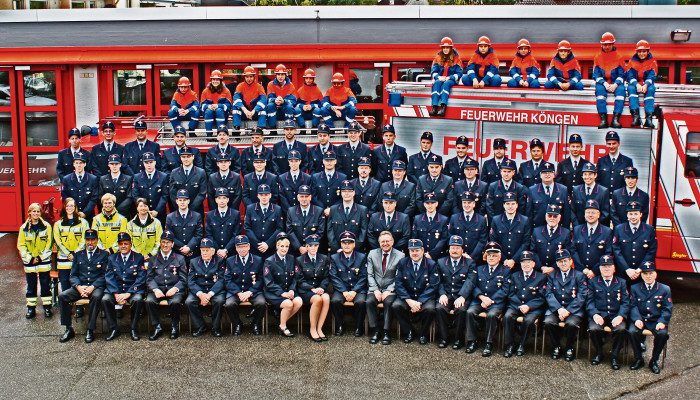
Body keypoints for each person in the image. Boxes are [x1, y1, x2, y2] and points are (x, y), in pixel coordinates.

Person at [58, 229, 107, 343]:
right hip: (80, 287)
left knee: (96, 297)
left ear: (97, 240)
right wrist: (78, 287)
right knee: (62, 296)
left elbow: (105, 275)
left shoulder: (104, 254)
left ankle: (90, 329)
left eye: (93, 240)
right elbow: (73, 275)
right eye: (88, 240)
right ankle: (68, 328)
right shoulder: (78, 255)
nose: (90, 242)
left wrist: (92, 287)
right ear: (85, 240)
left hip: (96, 287)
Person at [462, 241, 509, 357]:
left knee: (492, 315)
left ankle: (489, 343)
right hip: (479, 300)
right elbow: (473, 286)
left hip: (496, 303)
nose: (491, 258)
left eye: (494, 255)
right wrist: (482, 298)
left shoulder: (505, 270)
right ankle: (472, 341)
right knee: (469, 312)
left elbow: (505, 290)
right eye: (489, 255)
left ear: (499, 257)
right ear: (485, 256)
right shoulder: (479, 269)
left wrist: (490, 300)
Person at [628, 261, 672, 374]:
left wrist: (662, 321)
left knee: (662, 334)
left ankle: (654, 360)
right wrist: (637, 318)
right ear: (641, 275)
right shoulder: (635, 288)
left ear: (655, 274)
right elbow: (632, 306)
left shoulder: (665, 289)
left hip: (656, 321)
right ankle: (639, 358)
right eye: (645, 274)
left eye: (651, 273)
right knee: (632, 331)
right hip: (641, 319)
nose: (648, 276)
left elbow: (667, 308)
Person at [544, 249, 588, 361]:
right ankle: (556, 346)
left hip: (573, 309)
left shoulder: (579, 275)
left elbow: (582, 295)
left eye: (565, 261)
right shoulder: (552, 275)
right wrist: (559, 309)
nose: (563, 264)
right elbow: (548, 293)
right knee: (548, 322)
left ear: (570, 261)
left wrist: (568, 310)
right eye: (560, 262)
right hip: (556, 309)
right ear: (557, 264)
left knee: (572, 324)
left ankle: (569, 347)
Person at [587, 255, 630, 369]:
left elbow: (625, 302)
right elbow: (589, 301)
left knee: (621, 329)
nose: (606, 269)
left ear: (614, 268)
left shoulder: (621, 282)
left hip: (616, 314)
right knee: (593, 329)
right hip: (599, 314)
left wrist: (620, 316)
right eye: (604, 266)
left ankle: (615, 356)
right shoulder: (593, 282)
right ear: (600, 269)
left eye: (609, 266)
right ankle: (599, 352)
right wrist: (595, 314)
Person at [102, 232, 146, 341]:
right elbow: (109, 277)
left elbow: (141, 277)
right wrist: (116, 294)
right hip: (116, 291)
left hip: (131, 291)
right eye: (121, 244)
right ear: (118, 245)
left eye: (126, 243)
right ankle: (113, 329)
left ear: (131, 244)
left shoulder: (138, 257)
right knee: (105, 299)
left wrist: (128, 293)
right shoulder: (112, 258)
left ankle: (133, 329)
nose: (123, 246)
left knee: (137, 299)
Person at [392, 238, 438, 345]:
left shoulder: (431, 264)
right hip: (408, 296)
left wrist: (419, 302)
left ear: (422, 250)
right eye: (412, 250)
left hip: (425, 297)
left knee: (430, 309)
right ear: (409, 251)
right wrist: (409, 300)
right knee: (396, 306)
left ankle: (423, 334)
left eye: (417, 250)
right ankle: (409, 332)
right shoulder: (403, 263)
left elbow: (433, 285)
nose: (414, 253)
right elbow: (398, 284)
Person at [502, 251, 547, 357]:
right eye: (523, 262)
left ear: (533, 264)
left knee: (529, 320)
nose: (526, 264)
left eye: (529, 262)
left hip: (533, 308)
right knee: (507, 316)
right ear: (520, 264)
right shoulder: (514, 275)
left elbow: (541, 297)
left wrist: (528, 306)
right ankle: (510, 344)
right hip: (515, 305)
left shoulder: (541, 277)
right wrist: (520, 305)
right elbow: (510, 293)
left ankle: (522, 344)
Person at [144, 230, 187, 341]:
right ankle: (157, 327)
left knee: (175, 302)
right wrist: (155, 289)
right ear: (160, 243)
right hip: (158, 289)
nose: (165, 245)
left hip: (174, 290)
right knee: (149, 301)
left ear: (172, 244)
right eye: (163, 242)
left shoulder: (180, 258)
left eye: (168, 242)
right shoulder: (153, 259)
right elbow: (149, 278)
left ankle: (174, 327)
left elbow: (183, 279)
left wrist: (175, 288)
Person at [366, 231, 404, 345]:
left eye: (387, 241)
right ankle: (375, 331)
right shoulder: (372, 254)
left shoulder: (400, 255)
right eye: (383, 241)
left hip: (391, 289)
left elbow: (399, 276)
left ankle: (387, 332)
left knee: (388, 303)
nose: (385, 243)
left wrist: (389, 290)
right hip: (375, 288)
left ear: (392, 242)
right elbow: (370, 274)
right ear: (379, 243)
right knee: (369, 301)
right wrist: (376, 290)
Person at [435, 236, 473, 350]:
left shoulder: (469, 263)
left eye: (457, 247)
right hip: (446, 295)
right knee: (439, 308)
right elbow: (437, 280)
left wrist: (462, 296)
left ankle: (458, 339)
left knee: (461, 310)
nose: (455, 250)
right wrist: (442, 294)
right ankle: (444, 338)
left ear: (462, 250)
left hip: (461, 295)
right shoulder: (441, 262)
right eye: (452, 247)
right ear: (449, 249)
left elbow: (470, 281)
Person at [224, 235, 266, 336]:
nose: (242, 249)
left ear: (249, 246)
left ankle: (255, 324)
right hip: (236, 291)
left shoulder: (258, 260)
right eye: (239, 247)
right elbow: (227, 280)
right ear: (235, 248)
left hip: (252, 291)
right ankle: (237, 323)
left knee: (261, 303)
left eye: (244, 246)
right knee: (229, 304)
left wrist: (250, 292)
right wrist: (238, 292)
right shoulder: (230, 260)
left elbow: (261, 279)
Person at [17, 203, 54, 319]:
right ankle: (31, 308)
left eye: (38, 211)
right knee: (31, 285)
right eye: (34, 211)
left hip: (43, 261)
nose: (36, 214)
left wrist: (40, 257)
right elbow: (21, 245)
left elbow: (49, 243)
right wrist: (30, 258)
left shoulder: (46, 226)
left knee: (45, 284)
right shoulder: (23, 228)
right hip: (30, 262)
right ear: (29, 213)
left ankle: (47, 307)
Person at [263, 233, 303, 337]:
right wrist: (282, 293)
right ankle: (284, 326)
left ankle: (281, 324)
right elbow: (269, 283)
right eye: (281, 246)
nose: (284, 249)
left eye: (286, 246)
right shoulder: (269, 261)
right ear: (277, 246)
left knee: (298, 301)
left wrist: (292, 290)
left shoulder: (291, 258)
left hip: (288, 291)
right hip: (274, 292)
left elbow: (295, 277)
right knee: (288, 304)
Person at [329, 231, 368, 337]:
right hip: (342, 289)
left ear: (354, 244)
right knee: (335, 301)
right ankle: (340, 325)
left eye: (349, 243)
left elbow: (364, 277)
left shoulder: (362, 257)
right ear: (341, 244)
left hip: (358, 289)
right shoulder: (334, 257)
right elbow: (334, 277)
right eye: (344, 243)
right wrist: (344, 291)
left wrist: (354, 291)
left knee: (361, 302)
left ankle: (358, 326)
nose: (347, 245)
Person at [186, 238, 226, 337]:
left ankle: (215, 328)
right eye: (202, 250)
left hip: (214, 290)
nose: (204, 253)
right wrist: (200, 294)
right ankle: (200, 326)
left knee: (219, 301)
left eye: (207, 250)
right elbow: (190, 281)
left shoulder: (220, 261)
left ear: (213, 251)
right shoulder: (194, 261)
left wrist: (209, 294)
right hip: (199, 290)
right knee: (189, 302)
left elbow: (221, 280)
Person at [295, 234, 330, 342]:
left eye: (315, 245)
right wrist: (312, 289)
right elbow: (299, 280)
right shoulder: (300, 260)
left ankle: (319, 328)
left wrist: (322, 288)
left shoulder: (324, 258)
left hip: (319, 288)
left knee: (326, 298)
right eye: (310, 245)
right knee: (318, 299)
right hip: (306, 290)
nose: (313, 248)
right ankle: (312, 329)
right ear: (306, 247)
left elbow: (326, 276)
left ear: (318, 246)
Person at [613, 201, 657, 282]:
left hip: (642, 272)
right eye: (630, 214)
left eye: (636, 214)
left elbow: (651, 251)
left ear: (641, 214)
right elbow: (616, 250)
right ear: (627, 215)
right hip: (623, 273)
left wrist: (639, 269)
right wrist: (626, 269)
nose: (633, 217)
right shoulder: (619, 229)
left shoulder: (649, 229)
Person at [53, 198, 90, 292]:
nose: (70, 208)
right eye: (68, 205)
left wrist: (75, 253)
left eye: (72, 205)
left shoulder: (83, 222)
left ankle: (79, 306)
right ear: (64, 207)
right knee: (65, 281)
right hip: (63, 258)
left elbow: (84, 239)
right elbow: (58, 241)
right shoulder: (58, 224)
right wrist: (67, 253)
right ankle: (67, 305)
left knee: (79, 281)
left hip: (79, 257)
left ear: (75, 207)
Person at [489, 192, 532, 270]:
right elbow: (494, 242)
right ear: (503, 205)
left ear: (517, 205)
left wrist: (513, 260)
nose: (510, 206)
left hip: (518, 263)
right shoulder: (496, 220)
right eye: (508, 204)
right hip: (501, 262)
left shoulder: (524, 220)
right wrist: (504, 259)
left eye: (513, 204)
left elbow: (526, 243)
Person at [571, 200, 613, 278]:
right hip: (580, 273)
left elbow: (608, 253)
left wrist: (594, 271)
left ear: (598, 214)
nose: (590, 215)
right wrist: (582, 269)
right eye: (588, 212)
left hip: (598, 274)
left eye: (593, 212)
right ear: (584, 214)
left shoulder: (607, 231)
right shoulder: (577, 229)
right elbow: (573, 251)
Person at [594, 32, 627, 129]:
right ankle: (603, 120)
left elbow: (622, 74)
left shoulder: (619, 57)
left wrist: (615, 84)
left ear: (613, 44)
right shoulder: (597, 57)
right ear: (601, 44)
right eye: (605, 44)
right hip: (602, 82)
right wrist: (604, 83)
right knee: (600, 93)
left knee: (621, 93)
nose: (607, 46)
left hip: (615, 82)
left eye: (609, 44)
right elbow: (596, 74)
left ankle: (615, 120)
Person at [327, 181, 369, 253]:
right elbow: (330, 230)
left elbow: (363, 231)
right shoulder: (333, 209)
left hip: (356, 252)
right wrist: (337, 248)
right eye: (344, 191)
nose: (346, 193)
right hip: (337, 252)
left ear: (354, 193)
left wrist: (352, 248)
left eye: (349, 191)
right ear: (341, 193)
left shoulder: (362, 210)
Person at [243, 184, 284, 258]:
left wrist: (268, 244)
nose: (264, 197)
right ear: (258, 196)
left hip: (270, 248)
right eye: (261, 195)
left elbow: (279, 228)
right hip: (255, 248)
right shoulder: (250, 208)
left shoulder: (277, 209)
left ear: (270, 195)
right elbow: (247, 228)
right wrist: (258, 244)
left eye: (266, 194)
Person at [526, 161, 570, 229]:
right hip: (538, 230)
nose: (547, 175)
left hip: (558, 230)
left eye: (550, 172)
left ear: (554, 174)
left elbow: (566, 213)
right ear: (540, 175)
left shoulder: (563, 189)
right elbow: (529, 214)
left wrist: (566, 231)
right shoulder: (532, 190)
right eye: (544, 173)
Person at [531, 204, 572, 273]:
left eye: (555, 216)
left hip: (557, 272)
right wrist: (541, 267)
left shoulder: (565, 233)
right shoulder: (537, 231)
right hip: (538, 271)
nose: (552, 218)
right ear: (545, 216)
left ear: (560, 217)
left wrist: (553, 267)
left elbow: (567, 254)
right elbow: (533, 252)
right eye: (549, 215)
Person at [165, 189, 204, 263]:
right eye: (180, 200)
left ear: (188, 201)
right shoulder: (170, 217)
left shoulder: (196, 216)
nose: (182, 202)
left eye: (184, 200)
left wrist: (189, 247)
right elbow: (170, 236)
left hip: (193, 253)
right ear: (176, 201)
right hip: (177, 253)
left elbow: (198, 235)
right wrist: (182, 248)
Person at [448, 191, 488, 261]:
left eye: (469, 203)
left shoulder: (481, 220)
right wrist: (460, 254)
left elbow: (482, 241)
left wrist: (471, 257)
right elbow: (450, 237)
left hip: (475, 259)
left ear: (474, 204)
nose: (466, 205)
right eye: (464, 203)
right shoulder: (454, 218)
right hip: (457, 258)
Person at [286, 185, 325, 256]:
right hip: (296, 251)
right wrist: (299, 247)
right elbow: (289, 231)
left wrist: (309, 246)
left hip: (313, 250)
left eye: (306, 196)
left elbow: (320, 231)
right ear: (298, 197)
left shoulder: (318, 211)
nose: (304, 199)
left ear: (310, 197)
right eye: (301, 196)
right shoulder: (291, 211)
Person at [131, 152, 169, 225]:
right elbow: (135, 195)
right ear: (143, 163)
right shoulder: (137, 177)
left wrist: (157, 210)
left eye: (151, 162)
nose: (149, 165)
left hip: (159, 213)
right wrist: (143, 209)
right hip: (142, 213)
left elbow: (165, 195)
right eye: (146, 162)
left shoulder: (163, 176)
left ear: (155, 162)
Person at [168, 146, 207, 215]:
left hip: (196, 211)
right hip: (179, 211)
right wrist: (181, 207)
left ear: (193, 157)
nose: (186, 159)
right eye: (183, 157)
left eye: (188, 156)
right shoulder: (174, 172)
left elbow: (202, 193)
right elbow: (172, 193)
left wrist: (190, 209)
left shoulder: (201, 172)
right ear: (180, 158)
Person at [627, 40, 658, 128]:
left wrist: (646, 85)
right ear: (636, 52)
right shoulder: (631, 62)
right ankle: (636, 117)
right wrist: (636, 84)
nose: (641, 54)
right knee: (630, 89)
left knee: (651, 89)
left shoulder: (653, 62)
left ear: (648, 51)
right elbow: (629, 76)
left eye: (644, 51)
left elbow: (652, 76)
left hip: (647, 84)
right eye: (639, 51)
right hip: (635, 84)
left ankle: (649, 119)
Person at [205, 187, 242, 260]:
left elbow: (236, 235)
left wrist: (226, 250)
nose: (222, 200)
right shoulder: (210, 215)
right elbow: (209, 235)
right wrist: (218, 250)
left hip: (231, 253)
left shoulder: (235, 214)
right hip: (215, 253)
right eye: (219, 198)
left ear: (228, 199)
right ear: (216, 200)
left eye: (224, 198)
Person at [61, 152, 99, 222]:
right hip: (72, 215)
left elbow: (94, 198)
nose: (79, 165)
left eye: (81, 163)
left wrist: (85, 212)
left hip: (88, 215)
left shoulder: (93, 179)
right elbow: (65, 197)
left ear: (85, 164)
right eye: (77, 163)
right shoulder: (66, 179)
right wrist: (74, 211)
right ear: (73, 164)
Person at [430, 37, 463, 116]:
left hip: (451, 80)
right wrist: (438, 77)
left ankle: (443, 107)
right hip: (440, 78)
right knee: (436, 84)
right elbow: (433, 72)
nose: (445, 49)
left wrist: (449, 77)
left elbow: (459, 73)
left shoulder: (457, 59)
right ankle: (434, 107)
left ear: (451, 48)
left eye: (447, 47)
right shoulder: (438, 58)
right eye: (444, 47)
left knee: (446, 84)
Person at [597, 130, 634, 198]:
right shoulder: (601, 161)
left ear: (618, 143)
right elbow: (597, 181)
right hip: (604, 199)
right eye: (609, 143)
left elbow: (630, 182)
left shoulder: (627, 161)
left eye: (614, 143)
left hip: (620, 199)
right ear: (606, 144)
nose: (611, 146)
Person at [572, 162, 611, 227]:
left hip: (597, 228)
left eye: (590, 174)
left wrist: (593, 225)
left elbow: (605, 212)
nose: (587, 177)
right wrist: (577, 226)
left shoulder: (603, 191)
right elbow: (572, 211)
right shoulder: (576, 190)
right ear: (582, 176)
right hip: (579, 227)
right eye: (585, 174)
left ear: (595, 175)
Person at [232, 66, 267, 130]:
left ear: (254, 77)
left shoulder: (259, 87)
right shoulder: (240, 86)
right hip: (244, 113)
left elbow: (263, 100)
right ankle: (236, 129)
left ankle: (260, 128)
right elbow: (236, 99)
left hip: (255, 113)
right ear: (244, 77)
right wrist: (245, 110)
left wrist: (254, 111)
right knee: (235, 105)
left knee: (263, 107)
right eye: (247, 77)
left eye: (251, 76)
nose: (249, 79)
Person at [200, 69, 233, 136]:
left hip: (222, 115)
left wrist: (218, 106)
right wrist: (208, 106)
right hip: (209, 115)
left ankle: (220, 134)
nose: (215, 81)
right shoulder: (205, 91)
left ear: (221, 81)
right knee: (208, 111)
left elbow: (229, 106)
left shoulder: (226, 91)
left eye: (217, 79)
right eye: (213, 79)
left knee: (219, 110)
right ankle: (209, 136)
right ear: (211, 80)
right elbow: (202, 106)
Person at [266, 64, 297, 129]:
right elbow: (268, 99)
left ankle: (288, 129)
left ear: (285, 75)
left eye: (282, 74)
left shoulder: (291, 85)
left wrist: (284, 101)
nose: (280, 77)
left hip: (285, 110)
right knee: (270, 105)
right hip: (275, 111)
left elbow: (294, 101)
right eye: (278, 74)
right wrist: (274, 100)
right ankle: (273, 129)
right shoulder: (270, 84)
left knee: (289, 106)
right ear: (276, 75)